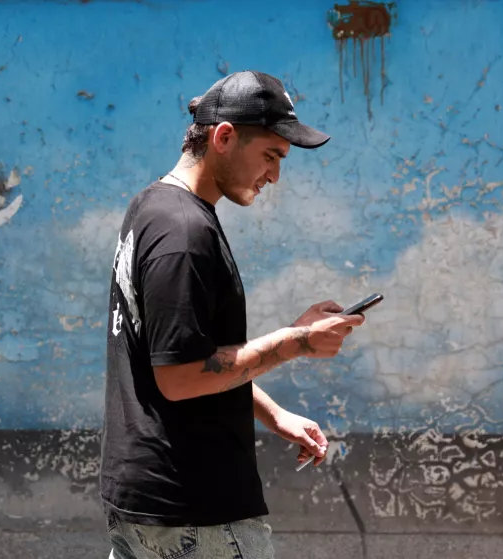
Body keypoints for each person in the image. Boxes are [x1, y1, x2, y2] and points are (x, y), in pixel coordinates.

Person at [100, 70, 367, 558]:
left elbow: (189, 349)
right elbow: (180, 377)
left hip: (154, 502)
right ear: (224, 137)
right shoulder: (182, 234)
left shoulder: (154, 207)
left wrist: (272, 413)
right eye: (271, 156)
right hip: (194, 513)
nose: (275, 175)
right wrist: (298, 341)